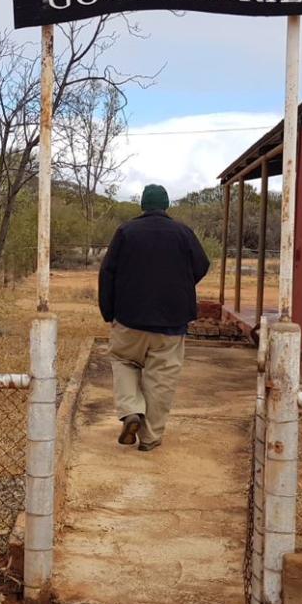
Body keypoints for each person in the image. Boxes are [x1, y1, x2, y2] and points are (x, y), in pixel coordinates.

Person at [97, 184, 210, 451]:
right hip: (171, 323)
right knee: (162, 379)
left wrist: (108, 311)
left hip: (129, 318)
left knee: (123, 361)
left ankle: (131, 410)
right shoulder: (183, 233)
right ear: (166, 205)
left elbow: (107, 272)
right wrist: (180, 285)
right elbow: (202, 265)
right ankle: (150, 437)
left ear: (143, 206)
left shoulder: (126, 232)